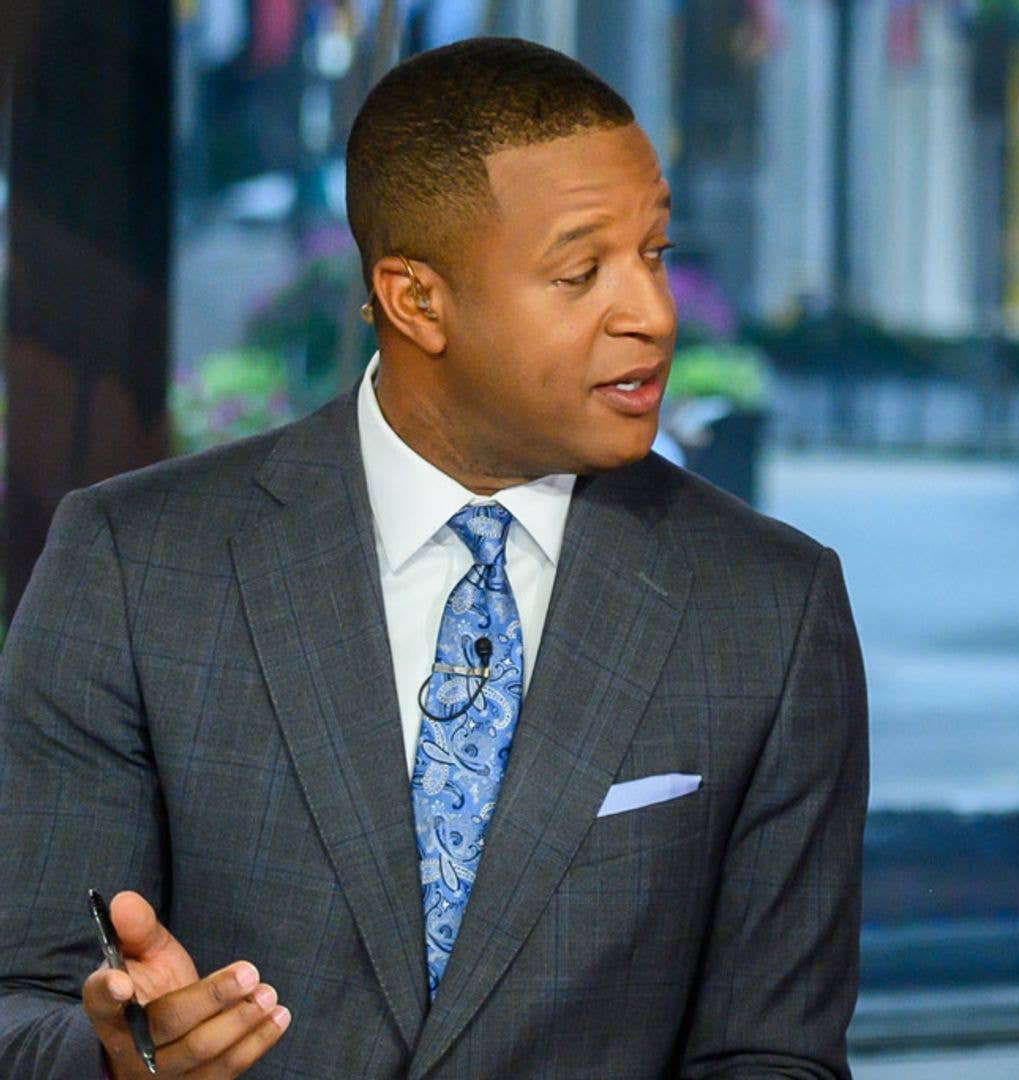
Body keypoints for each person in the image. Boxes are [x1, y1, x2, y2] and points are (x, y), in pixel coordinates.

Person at [0, 37, 867, 1079]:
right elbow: (21, 1005)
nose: (651, 314)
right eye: (581, 272)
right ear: (416, 300)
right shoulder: (136, 567)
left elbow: (776, 1056)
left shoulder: (769, 607)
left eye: (655, 254)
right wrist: (119, 1059)